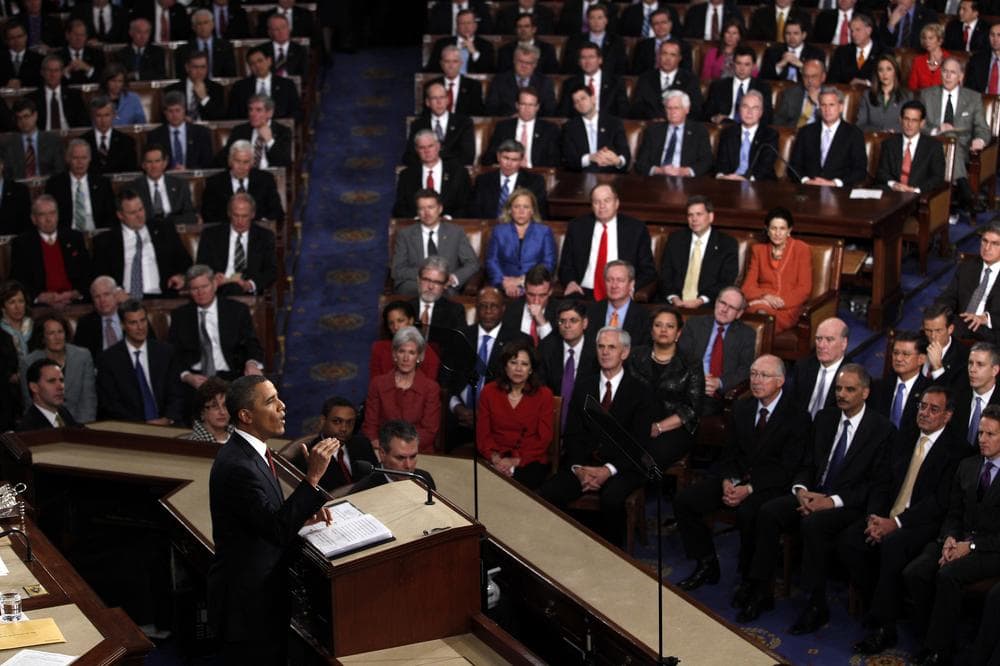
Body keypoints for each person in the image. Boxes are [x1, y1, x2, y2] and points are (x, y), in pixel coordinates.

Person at [736, 364, 895, 628]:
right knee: (768, 511)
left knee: (814, 524)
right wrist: (801, 491)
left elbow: (874, 485)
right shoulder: (825, 418)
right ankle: (761, 590)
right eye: (838, 388)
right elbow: (807, 463)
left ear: (865, 393)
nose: (841, 394)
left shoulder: (881, 430)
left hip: (847, 504)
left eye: (849, 389)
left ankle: (816, 603)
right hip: (812, 494)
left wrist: (830, 502)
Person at [208, 375, 338, 665]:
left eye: (278, 397)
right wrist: (313, 476)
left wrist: (303, 516)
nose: (282, 406)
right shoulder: (239, 466)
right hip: (248, 608)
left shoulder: (254, 452)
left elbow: (266, 517)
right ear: (245, 415)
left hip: (261, 599)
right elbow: (276, 530)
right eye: (270, 401)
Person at [839, 385, 965, 656]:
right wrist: (876, 517)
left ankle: (885, 627)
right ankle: (880, 604)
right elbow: (882, 481)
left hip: (924, 524)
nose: (925, 413)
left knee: (893, 545)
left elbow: (938, 503)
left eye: (934, 409)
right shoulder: (904, 436)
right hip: (889, 515)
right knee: (851, 539)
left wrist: (895, 524)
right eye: (922, 406)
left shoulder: (956, 450)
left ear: (948, 415)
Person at [674, 354, 809, 594]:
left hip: (769, 485)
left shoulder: (797, 416)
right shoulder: (742, 407)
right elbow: (729, 454)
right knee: (686, 500)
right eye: (753, 374)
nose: (756, 381)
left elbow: (787, 468)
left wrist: (748, 489)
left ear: (780, 381)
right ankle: (706, 562)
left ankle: (752, 581)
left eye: (764, 376)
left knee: (750, 513)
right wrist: (728, 480)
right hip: (737, 477)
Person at [903, 403, 1000, 665]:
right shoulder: (967, 466)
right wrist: (949, 538)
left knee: (948, 575)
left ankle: (938, 650)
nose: (982, 439)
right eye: (980, 433)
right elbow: (953, 513)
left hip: (990, 550)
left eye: (990, 434)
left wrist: (968, 548)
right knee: (916, 572)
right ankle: (931, 636)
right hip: (957, 539)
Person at [538, 327, 654, 547]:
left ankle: (611, 557)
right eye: (601, 346)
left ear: (625, 352)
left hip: (623, 467)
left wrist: (607, 470)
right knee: (549, 492)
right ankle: (559, 550)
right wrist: (578, 469)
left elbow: (638, 444)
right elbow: (572, 433)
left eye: (612, 347)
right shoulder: (583, 386)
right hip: (583, 463)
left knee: (612, 499)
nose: (605, 352)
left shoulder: (640, 391)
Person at [627, 304, 703, 466]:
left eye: (670, 326)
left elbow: (692, 408)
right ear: (651, 330)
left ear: (678, 333)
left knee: (651, 455)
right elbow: (626, 394)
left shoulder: (691, 363)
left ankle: (654, 491)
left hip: (676, 427)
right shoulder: (635, 356)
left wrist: (659, 427)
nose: (663, 330)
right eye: (658, 325)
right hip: (638, 423)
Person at [168, 264, 265, 388]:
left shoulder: (237, 310)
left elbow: (251, 343)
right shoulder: (180, 316)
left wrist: (251, 363)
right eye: (194, 288)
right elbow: (174, 352)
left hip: (232, 374)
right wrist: (187, 376)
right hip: (195, 378)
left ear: (214, 285)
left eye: (204, 286)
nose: (200, 292)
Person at [477, 339, 554, 489]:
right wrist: (496, 459)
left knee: (518, 486)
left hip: (529, 460)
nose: (518, 369)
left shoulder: (544, 395)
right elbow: (482, 434)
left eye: (524, 364)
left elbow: (543, 439)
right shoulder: (488, 392)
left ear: (531, 369)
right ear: (505, 365)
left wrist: (515, 461)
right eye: (513, 362)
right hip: (494, 457)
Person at [558, 183, 657, 300]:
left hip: (620, 292)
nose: (602, 206)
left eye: (607, 200)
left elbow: (648, 270)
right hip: (582, 292)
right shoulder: (577, 227)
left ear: (617, 203)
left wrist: (632, 286)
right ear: (592, 206)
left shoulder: (636, 229)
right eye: (596, 202)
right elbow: (565, 265)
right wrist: (570, 282)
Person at [920, 57, 991, 216]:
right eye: (945, 71)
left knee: (951, 137)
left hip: (963, 149)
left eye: (953, 73)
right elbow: (919, 124)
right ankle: (965, 190)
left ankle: (960, 193)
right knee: (948, 134)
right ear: (940, 73)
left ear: (961, 76)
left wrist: (979, 140)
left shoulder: (973, 97)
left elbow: (983, 128)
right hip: (932, 146)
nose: (948, 76)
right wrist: (937, 129)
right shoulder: (927, 95)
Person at [96, 299, 185, 424]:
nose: (140, 327)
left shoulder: (165, 352)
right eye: (133, 322)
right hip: (130, 428)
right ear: (122, 325)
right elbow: (111, 404)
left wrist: (167, 419)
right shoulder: (109, 359)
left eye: (143, 320)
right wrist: (141, 426)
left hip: (167, 424)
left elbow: (176, 393)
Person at [92, 189, 191, 300]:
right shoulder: (105, 241)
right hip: (124, 300)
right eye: (132, 213)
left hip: (162, 297)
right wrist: (116, 291)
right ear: (120, 215)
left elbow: (186, 263)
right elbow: (99, 277)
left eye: (141, 209)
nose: (139, 215)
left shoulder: (165, 230)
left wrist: (181, 276)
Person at [362, 326, 441, 454]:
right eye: (401, 351)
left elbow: (429, 431)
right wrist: (378, 444)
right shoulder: (378, 384)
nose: (406, 358)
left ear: (419, 356)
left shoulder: (431, 388)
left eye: (411, 353)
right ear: (394, 354)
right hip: (384, 450)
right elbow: (370, 425)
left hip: (418, 451)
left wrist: (402, 449)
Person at [390, 188, 479, 295]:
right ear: (417, 212)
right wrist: (428, 277)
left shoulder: (456, 232)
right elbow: (398, 269)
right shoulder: (405, 235)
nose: (426, 213)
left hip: (446, 285)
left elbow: (472, 263)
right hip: (415, 283)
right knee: (421, 291)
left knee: (443, 293)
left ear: (440, 209)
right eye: (422, 209)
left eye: (430, 207)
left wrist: (453, 278)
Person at [9, 195, 92, 308]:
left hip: (75, 301)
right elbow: (18, 281)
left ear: (57, 215)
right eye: (42, 215)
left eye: (52, 213)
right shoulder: (22, 244)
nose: (48, 219)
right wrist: (40, 297)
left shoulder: (74, 238)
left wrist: (75, 293)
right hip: (41, 306)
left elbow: (88, 273)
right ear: (34, 219)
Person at [742, 207, 813, 334]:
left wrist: (778, 302)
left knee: (761, 317)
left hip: (788, 307)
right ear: (767, 230)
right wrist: (765, 297)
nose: (777, 233)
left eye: (782, 229)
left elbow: (804, 289)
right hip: (761, 303)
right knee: (759, 312)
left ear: (789, 230)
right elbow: (747, 288)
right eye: (773, 228)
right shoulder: (758, 250)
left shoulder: (801, 249)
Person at [659, 196, 739, 308]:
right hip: (673, 302)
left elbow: (726, 280)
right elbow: (665, 273)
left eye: (699, 214)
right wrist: (673, 297)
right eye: (690, 215)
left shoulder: (727, 244)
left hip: (708, 303)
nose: (694, 219)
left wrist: (701, 300)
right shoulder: (675, 239)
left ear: (711, 217)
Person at [196, 193, 278, 297]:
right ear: (229, 213)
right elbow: (201, 266)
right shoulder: (211, 235)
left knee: (234, 289)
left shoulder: (264, 236)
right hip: (218, 288)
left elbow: (271, 271)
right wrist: (213, 276)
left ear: (252, 214)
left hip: (248, 289)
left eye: (244, 216)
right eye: (236, 215)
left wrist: (250, 284)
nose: (240, 221)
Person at [20, 313, 96, 424]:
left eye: (60, 332)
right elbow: (30, 403)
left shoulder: (83, 356)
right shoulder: (28, 362)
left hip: (79, 422)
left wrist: (82, 429)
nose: (57, 337)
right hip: (44, 424)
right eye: (51, 333)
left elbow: (88, 399)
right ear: (42, 337)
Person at [789, 85, 867, 188]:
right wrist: (806, 180)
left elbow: (860, 170)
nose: (827, 109)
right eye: (823, 105)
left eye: (831, 105)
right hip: (809, 189)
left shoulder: (854, 134)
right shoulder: (806, 131)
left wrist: (835, 183)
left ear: (841, 107)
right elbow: (794, 165)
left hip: (839, 192)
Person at [934, 221, 1000, 341]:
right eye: (984, 241)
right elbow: (949, 297)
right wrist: (941, 317)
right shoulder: (967, 267)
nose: (987, 248)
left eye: (995, 244)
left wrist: (986, 318)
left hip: (992, 330)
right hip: (962, 323)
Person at [538, 301, 597, 429]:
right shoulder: (547, 347)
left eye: (573, 320)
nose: (567, 325)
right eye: (562, 321)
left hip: (586, 420)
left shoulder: (596, 350)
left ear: (585, 323)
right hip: (550, 416)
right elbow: (540, 385)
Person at [297, 397, 378, 490]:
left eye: (349, 422)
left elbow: (375, 479)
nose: (344, 428)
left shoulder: (363, 444)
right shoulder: (310, 454)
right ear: (323, 421)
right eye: (337, 421)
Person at [485, 188, 556, 294]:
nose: (521, 211)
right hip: (504, 285)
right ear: (510, 210)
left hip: (535, 286)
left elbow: (548, 263)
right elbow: (492, 261)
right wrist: (503, 282)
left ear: (532, 210)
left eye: (526, 207)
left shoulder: (544, 232)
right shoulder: (499, 231)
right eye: (516, 206)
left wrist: (522, 280)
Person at [875, 99, 946, 198]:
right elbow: (881, 172)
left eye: (914, 120)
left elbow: (937, 178)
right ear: (900, 120)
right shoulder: (889, 144)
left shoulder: (934, 147)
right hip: (892, 194)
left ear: (922, 123)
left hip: (918, 197)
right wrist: (894, 184)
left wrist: (916, 190)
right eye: (906, 119)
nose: (909, 124)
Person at [392, 130, 471, 219]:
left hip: (451, 225)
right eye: (422, 148)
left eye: (430, 146)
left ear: (438, 146)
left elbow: (467, 205)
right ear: (416, 150)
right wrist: (417, 219)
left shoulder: (459, 172)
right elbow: (400, 208)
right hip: (418, 226)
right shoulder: (406, 175)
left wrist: (449, 218)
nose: (427, 151)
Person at [633, 90, 713, 177]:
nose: (672, 112)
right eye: (669, 108)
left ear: (687, 109)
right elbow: (641, 162)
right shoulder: (653, 130)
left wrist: (685, 171)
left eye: (676, 108)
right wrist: (659, 170)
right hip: (656, 179)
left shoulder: (699, 131)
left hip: (686, 180)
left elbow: (707, 161)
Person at [202, 141, 285, 224]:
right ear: (230, 160)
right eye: (237, 161)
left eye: (246, 162)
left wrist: (261, 225)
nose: (241, 166)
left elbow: (277, 211)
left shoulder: (266, 180)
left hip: (257, 232)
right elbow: (208, 215)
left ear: (252, 162)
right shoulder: (214, 183)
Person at [869, 330, 932, 436]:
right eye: (895, 353)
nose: (898, 358)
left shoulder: (928, 391)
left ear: (921, 359)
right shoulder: (879, 387)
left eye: (906, 354)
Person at [44, 140, 116, 232]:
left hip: (97, 234)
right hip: (67, 235)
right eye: (75, 158)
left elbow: (111, 216)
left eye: (84, 158)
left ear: (89, 159)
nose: (80, 162)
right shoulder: (55, 184)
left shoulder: (102, 183)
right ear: (68, 159)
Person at [480, 87, 561, 168]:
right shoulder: (503, 127)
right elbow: (489, 156)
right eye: (523, 104)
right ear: (517, 105)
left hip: (537, 174)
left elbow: (555, 160)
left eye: (531, 105)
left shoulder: (550, 129)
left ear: (537, 107)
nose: (527, 109)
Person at [349, 420, 437, 493]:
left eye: (413, 456)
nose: (408, 465)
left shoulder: (424, 479)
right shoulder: (364, 490)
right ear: (382, 454)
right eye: (400, 458)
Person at [559, 84, 630, 174]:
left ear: (593, 99)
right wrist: (590, 158)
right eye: (576, 102)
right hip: (581, 176)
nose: (580, 103)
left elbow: (625, 154)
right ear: (574, 107)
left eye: (583, 98)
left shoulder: (614, 123)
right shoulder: (569, 128)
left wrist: (617, 161)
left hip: (609, 174)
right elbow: (568, 160)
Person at [470, 140, 549, 220]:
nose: (509, 164)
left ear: (521, 161)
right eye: (506, 158)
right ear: (498, 157)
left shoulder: (535, 182)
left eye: (514, 160)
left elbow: (539, 214)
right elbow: (475, 213)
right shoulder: (483, 180)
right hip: (489, 228)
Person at [402, 81, 474, 168]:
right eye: (434, 98)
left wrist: (437, 164)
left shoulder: (464, 123)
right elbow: (409, 156)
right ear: (428, 102)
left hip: (454, 172)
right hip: (427, 171)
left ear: (447, 100)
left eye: (442, 97)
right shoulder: (418, 125)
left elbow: (468, 156)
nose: (439, 102)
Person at [713, 90, 779, 181]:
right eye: (745, 107)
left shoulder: (770, 135)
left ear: (761, 112)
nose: (749, 112)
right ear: (739, 110)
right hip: (731, 182)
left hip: (758, 184)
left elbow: (765, 166)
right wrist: (721, 176)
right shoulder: (728, 133)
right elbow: (721, 163)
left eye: (755, 108)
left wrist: (745, 179)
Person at [630, 40, 703, 121]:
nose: (668, 59)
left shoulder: (690, 80)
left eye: (673, 55)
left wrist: (673, 120)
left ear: (679, 58)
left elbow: (696, 110)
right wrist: (653, 119)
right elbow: (636, 108)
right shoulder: (645, 78)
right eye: (664, 53)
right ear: (658, 56)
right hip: (651, 125)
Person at [791, 317, 849, 418]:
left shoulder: (853, 376)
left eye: (829, 339)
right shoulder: (802, 367)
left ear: (844, 343)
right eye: (818, 339)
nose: (821, 345)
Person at [369, 300, 441, 380]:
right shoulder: (379, 348)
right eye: (391, 323)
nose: (396, 327)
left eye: (400, 321)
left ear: (411, 321)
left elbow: (430, 386)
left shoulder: (426, 351)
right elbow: (375, 383)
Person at [129, 144, 198, 226]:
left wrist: (167, 224)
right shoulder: (133, 188)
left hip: (174, 230)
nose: (154, 166)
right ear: (143, 165)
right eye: (149, 162)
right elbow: (133, 218)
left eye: (157, 161)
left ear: (165, 163)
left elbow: (190, 216)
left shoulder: (180, 185)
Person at [702, 46, 773, 126]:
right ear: (733, 64)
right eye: (739, 63)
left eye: (747, 64)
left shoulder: (763, 88)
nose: (742, 68)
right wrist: (714, 118)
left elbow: (767, 117)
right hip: (725, 128)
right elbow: (706, 114)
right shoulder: (718, 86)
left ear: (753, 66)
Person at [587, 260, 651, 348]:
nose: (614, 285)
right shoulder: (591, 312)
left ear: (631, 284)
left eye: (620, 280)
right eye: (609, 280)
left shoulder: (645, 317)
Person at [948, 342, 1000, 447]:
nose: (972, 369)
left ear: (994, 370)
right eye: (970, 363)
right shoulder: (956, 395)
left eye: (980, 364)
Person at [145, 91, 215, 170]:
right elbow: (150, 164)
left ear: (184, 110)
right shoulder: (155, 135)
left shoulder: (201, 133)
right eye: (170, 111)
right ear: (165, 113)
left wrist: (188, 170)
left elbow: (208, 163)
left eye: (177, 110)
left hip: (194, 178)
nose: (174, 115)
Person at [219, 95, 293, 169]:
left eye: (258, 110)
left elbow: (285, 162)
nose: (252, 114)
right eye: (250, 110)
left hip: (270, 176)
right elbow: (224, 158)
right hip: (244, 174)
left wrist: (270, 141)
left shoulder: (283, 131)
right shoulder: (239, 131)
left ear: (269, 113)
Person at [226, 46, 300, 120]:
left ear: (269, 61)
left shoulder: (287, 85)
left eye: (260, 61)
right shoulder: (239, 87)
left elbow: (296, 113)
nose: (257, 65)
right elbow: (233, 116)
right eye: (252, 63)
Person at [556, 43, 629, 118]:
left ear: (600, 60)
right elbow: (563, 113)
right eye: (583, 58)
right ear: (579, 62)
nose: (587, 62)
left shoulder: (616, 82)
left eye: (591, 57)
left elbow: (623, 112)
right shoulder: (570, 84)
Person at [485, 43, 557, 117]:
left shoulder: (545, 83)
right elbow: (490, 109)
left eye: (528, 63)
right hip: (507, 123)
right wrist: (511, 116)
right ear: (514, 61)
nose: (524, 66)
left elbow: (550, 110)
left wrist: (530, 117)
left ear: (535, 64)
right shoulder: (499, 81)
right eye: (520, 61)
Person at [1, 99, 65, 179]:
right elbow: (6, 174)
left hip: (48, 186)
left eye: (26, 116)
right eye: (19, 118)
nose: (23, 121)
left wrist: (43, 179)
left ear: (35, 115)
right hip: (19, 188)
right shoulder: (8, 145)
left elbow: (60, 171)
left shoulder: (53, 141)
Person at [408, 256, 466, 344]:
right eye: (426, 280)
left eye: (437, 282)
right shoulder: (405, 308)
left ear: (445, 285)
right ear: (418, 280)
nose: (430, 286)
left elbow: (459, 347)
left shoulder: (455, 311)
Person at [561, 3, 628, 76]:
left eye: (600, 18)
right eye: (592, 18)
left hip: (609, 82)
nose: (596, 21)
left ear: (606, 20)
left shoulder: (617, 42)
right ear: (588, 21)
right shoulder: (574, 40)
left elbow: (621, 68)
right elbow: (569, 66)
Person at [500, 264, 559, 345]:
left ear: (550, 291)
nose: (536, 301)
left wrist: (542, 322)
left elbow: (556, 350)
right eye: (531, 295)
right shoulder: (511, 309)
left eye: (542, 295)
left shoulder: (560, 311)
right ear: (524, 290)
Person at [17, 358, 82, 431]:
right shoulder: (28, 429)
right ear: (34, 387)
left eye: (61, 380)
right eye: (51, 381)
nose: (60, 386)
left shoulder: (63, 412)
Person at [72, 275, 126, 362]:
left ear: (116, 295)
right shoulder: (86, 323)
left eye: (106, 294)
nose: (102, 300)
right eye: (97, 297)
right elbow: (80, 358)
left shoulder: (128, 316)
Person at [426, 8, 496, 74]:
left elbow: (488, 70)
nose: (466, 27)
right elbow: (432, 69)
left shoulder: (486, 45)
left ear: (475, 25)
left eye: (469, 23)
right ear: (457, 26)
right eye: (462, 23)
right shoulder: (441, 44)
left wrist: (474, 52)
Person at [163, 50, 227, 121]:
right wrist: (181, 120)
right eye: (195, 67)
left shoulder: (217, 88)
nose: (199, 71)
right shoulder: (172, 90)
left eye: (203, 67)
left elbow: (220, 117)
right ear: (187, 67)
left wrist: (204, 98)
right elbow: (165, 117)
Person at [82, 95, 139, 174]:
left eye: (107, 115)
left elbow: (131, 173)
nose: (103, 120)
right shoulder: (83, 141)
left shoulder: (127, 142)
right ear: (92, 117)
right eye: (99, 115)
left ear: (114, 115)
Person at [174, 9, 237, 79]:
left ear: (212, 24)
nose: (203, 27)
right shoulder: (183, 50)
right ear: (193, 27)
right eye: (199, 24)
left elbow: (231, 74)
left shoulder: (225, 47)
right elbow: (182, 76)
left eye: (206, 23)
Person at [31, 55, 89, 129]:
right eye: (49, 70)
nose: (53, 75)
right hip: (44, 138)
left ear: (62, 73)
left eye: (56, 70)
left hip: (70, 137)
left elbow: (84, 123)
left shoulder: (74, 96)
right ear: (42, 72)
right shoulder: (33, 98)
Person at [857, 55, 912, 132]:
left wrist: (894, 130)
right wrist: (882, 131)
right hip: (873, 139)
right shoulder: (867, 95)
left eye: (889, 69)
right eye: (880, 70)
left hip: (897, 139)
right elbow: (860, 125)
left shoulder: (907, 96)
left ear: (895, 72)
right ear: (877, 73)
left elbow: (911, 124)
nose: (884, 74)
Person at [760, 17, 825, 82]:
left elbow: (820, 78)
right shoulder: (772, 51)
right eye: (788, 33)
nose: (791, 37)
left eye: (796, 33)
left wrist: (802, 65)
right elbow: (764, 78)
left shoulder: (816, 53)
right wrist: (779, 66)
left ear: (804, 35)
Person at [921, 303, 969, 388]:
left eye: (938, 330)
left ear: (950, 329)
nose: (933, 336)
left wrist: (937, 367)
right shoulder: (917, 346)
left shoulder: (964, 357)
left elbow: (954, 396)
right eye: (928, 330)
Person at [427, 45, 485, 116]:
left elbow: (478, 113)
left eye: (455, 61)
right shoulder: (430, 85)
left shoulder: (474, 86)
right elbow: (426, 114)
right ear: (441, 64)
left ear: (461, 63)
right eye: (447, 61)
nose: (451, 66)